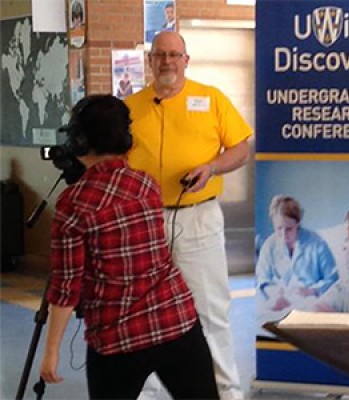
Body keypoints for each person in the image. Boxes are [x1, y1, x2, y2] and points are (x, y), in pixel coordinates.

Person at [39, 94, 219, 399]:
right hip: (176, 320)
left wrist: (51, 350)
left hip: (117, 335)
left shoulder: (74, 203)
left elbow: (66, 284)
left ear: (79, 143)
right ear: (128, 140)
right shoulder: (146, 184)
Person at [124, 31, 251, 400]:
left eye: (174, 55)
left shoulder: (212, 99)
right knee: (140, 310)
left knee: (210, 312)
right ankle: (146, 394)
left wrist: (211, 167)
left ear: (186, 60)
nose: (167, 62)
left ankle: (226, 393)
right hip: (144, 222)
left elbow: (240, 149)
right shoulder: (130, 108)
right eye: (160, 55)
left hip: (198, 217)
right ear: (150, 61)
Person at [255, 195, 339, 328]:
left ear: (298, 223)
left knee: (319, 309)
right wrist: (274, 294)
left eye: (289, 229)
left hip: (309, 301)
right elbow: (262, 279)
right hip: (278, 303)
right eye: (279, 228)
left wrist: (311, 291)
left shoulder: (317, 244)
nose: (283, 235)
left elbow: (333, 280)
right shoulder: (269, 245)